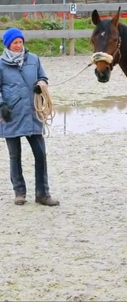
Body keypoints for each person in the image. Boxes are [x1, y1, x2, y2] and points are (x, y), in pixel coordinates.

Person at [0, 27, 60, 206]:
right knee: (14, 156)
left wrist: (40, 85)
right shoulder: (1, 64)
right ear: (8, 44)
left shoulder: (33, 59)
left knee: (40, 154)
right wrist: (1, 104)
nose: (19, 45)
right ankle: (19, 192)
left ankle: (43, 193)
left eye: (20, 42)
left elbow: (43, 78)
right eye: (15, 43)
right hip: (11, 115)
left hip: (33, 114)